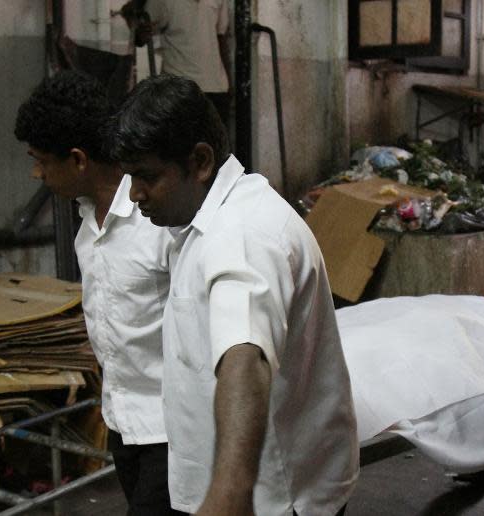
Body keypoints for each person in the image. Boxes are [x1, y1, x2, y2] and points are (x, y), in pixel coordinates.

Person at [109, 74, 358, 516]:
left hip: (274, 501)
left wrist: (230, 493)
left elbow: (245, 357)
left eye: (147, 176)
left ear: (200, 162)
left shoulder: (243, 234)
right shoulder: (202, 220)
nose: (135, 194)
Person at [14, 71, 179, 515]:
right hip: (123, 424)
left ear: (78, 160)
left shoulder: (159, 219)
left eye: (40, 160)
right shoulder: (88, 225)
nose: (36, 173)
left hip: (175, 429)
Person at [125, 0, 231, 125]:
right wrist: (138, 29)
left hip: (215, 87)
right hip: (178, 88)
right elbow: (141, 32)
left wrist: (229, 81)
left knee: (215, 142)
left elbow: (221, 37)